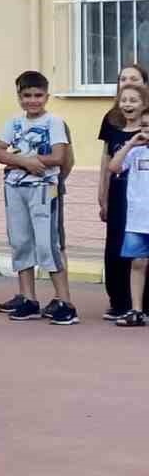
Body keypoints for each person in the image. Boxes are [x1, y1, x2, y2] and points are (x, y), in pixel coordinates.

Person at [0, 70, 75, 324]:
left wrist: (20, 161)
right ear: (19, 97)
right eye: (27, 95)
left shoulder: (54, 123)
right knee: (20, 241)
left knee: (46, 244)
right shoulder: (13, 123)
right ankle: (28, 299)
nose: (32, 100)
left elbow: (58, 157)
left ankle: (65, 302)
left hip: (43, 189)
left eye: (38, 95)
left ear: (46, 96)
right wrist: (24, 161)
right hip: (15, 188)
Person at [97, 63, 149, 321]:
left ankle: (142, 304)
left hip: (143, 197)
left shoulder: (148, 123)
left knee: (142, 252)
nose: (128, 83)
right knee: (117, 246)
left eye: (135, 79)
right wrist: (102, 193)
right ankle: (119, 301)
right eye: (123, 79)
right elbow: (107, 161)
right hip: (119, 194)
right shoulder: (111, 120)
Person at [107, 106, 149, 327]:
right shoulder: (135, 152)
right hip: (138, 220)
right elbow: (114, 167)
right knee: (138, 263)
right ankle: (136, 309)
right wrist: (131, 143)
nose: (146, 130)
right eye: (144, 126)